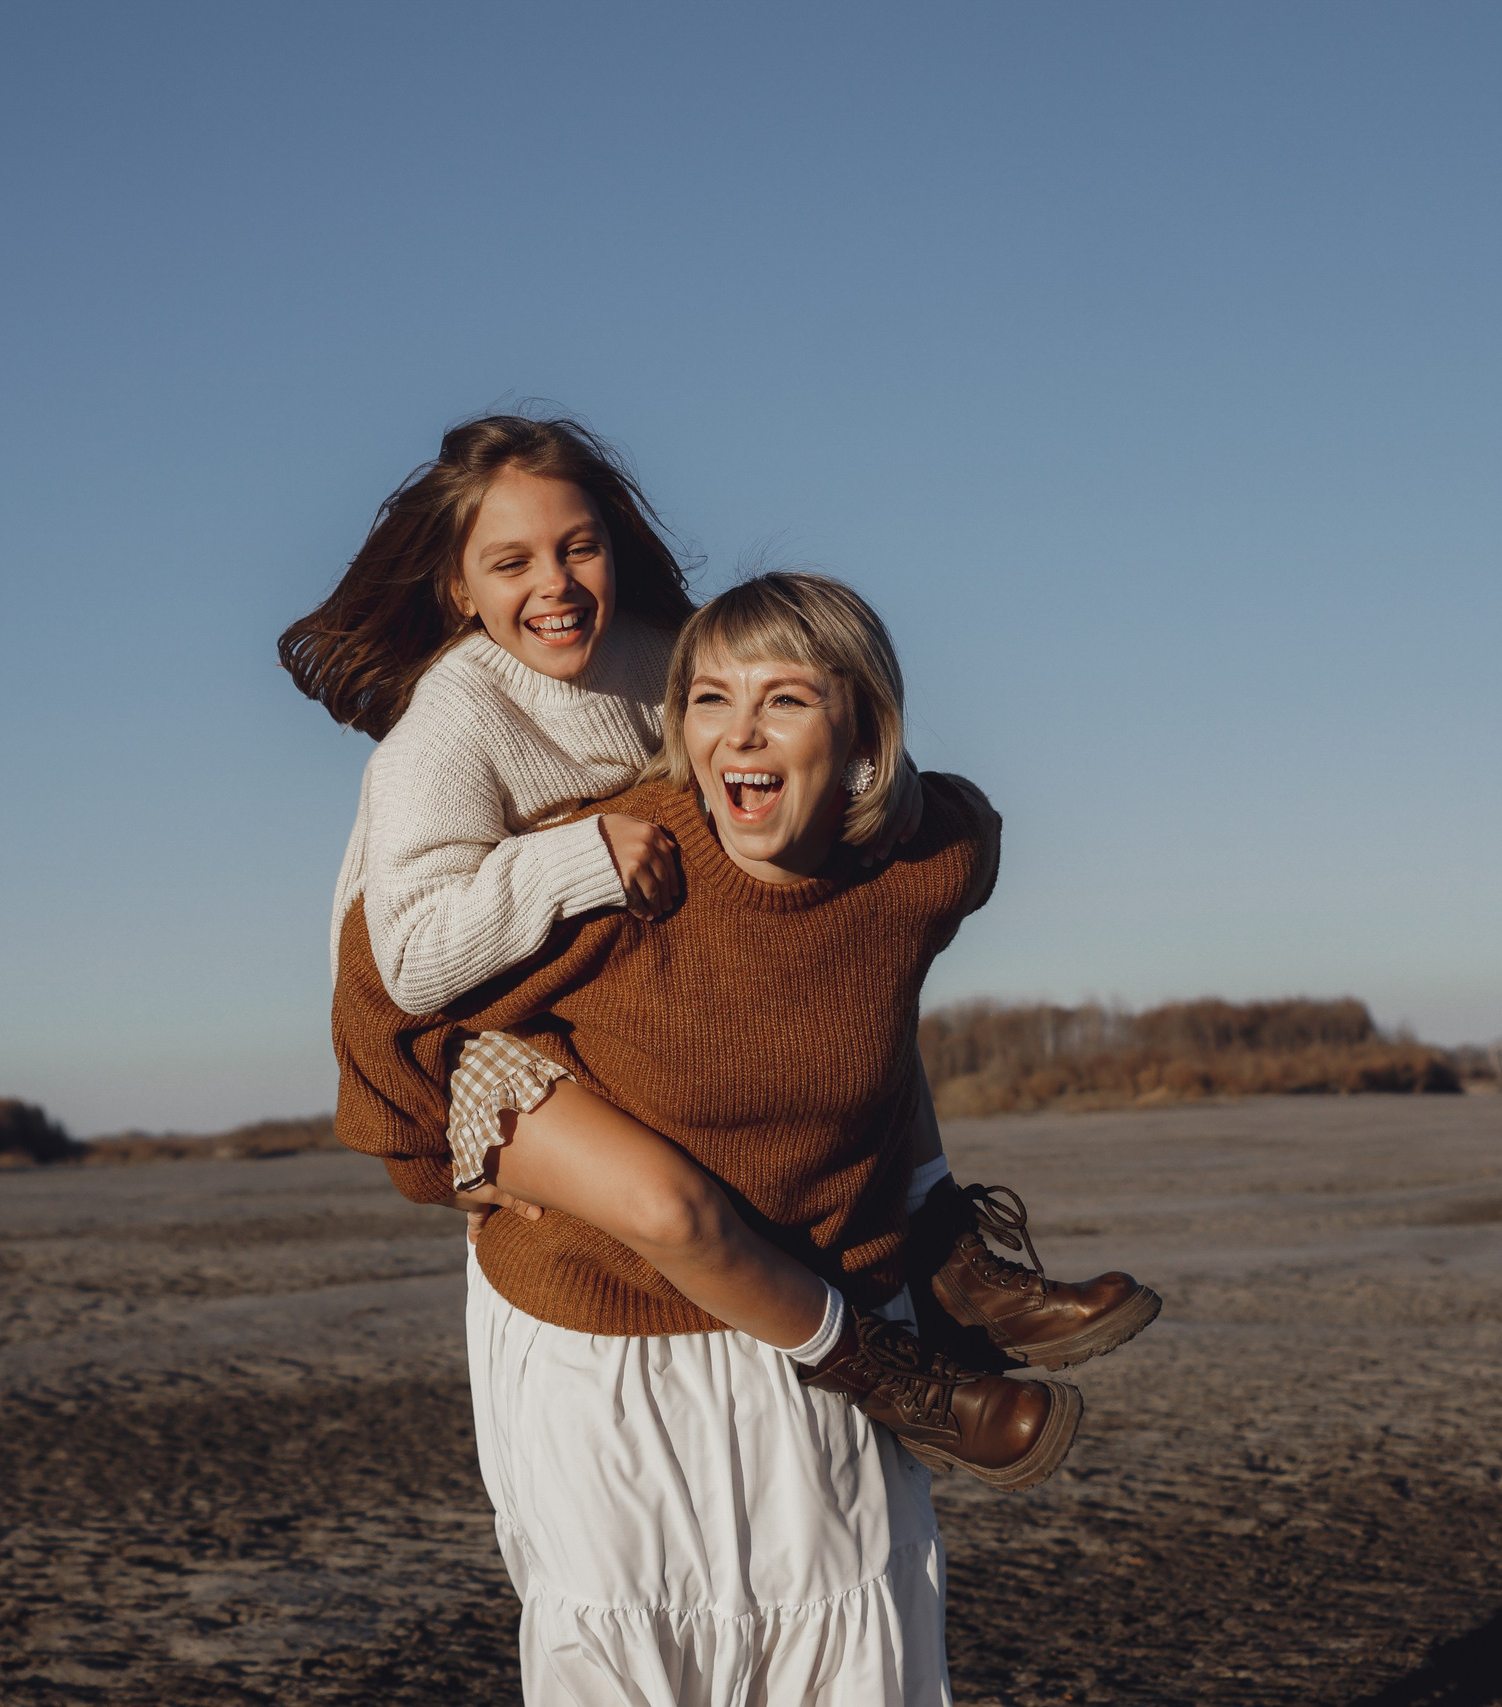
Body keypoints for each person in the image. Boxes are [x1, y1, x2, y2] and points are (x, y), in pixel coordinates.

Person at [337, 572, 1121, 1699]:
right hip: (606, 1304)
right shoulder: (634, 863)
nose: (740, 733)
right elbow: (380, 986)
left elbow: (967, 838)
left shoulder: (921, 861)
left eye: (784, 700)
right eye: (710, 699)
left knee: (838, 1642)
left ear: (863, 734)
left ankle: (953, 1253)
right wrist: (437, 1155)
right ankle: (901, 1379)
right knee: (644, 1627)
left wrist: (896, 802)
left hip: (810, 1268)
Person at [282, 415, 1157, 1377]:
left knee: (841, 938)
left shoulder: (667, 653)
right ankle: (878, 1370)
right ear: (459, 587)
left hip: (641, 967)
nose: (555, 584)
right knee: (670, 1203)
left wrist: (883, 784)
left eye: (578, 547)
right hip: (475, 1016)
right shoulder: (448, 726)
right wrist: (576, 857)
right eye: (511, 563)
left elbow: (797, 719)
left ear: (614, 545)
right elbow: (406, 961)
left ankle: (942, 1240)